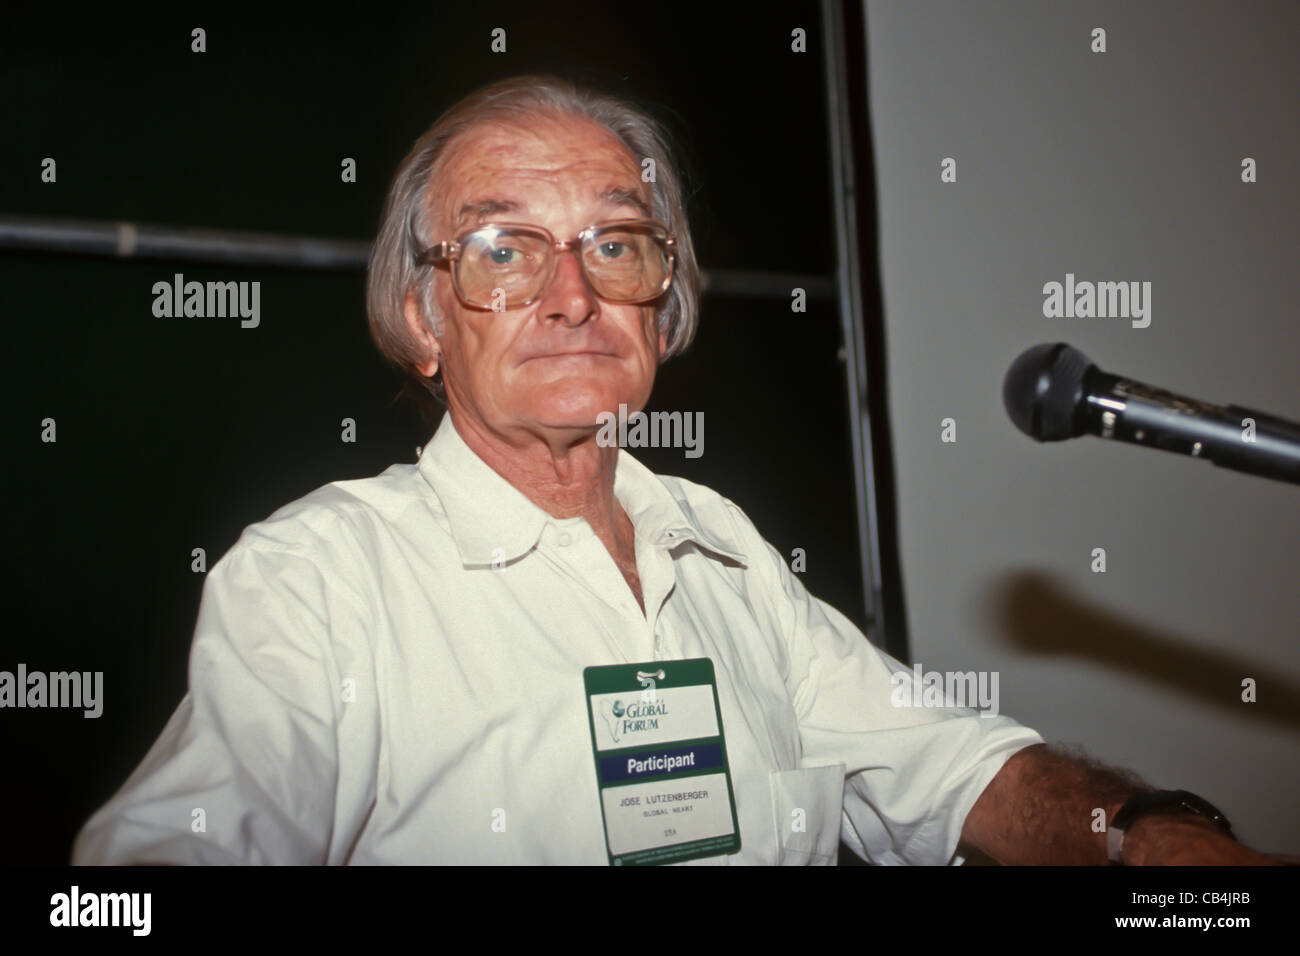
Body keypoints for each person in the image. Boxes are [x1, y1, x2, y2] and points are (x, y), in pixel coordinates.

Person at [72, 74, 1277, 866]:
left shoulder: (725, 551)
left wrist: (1154, 841)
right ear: (424, 319)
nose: (571, 293)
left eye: (616, 242)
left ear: (667, 301)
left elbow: (953, 771)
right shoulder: (318, 577)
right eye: (503, 249)